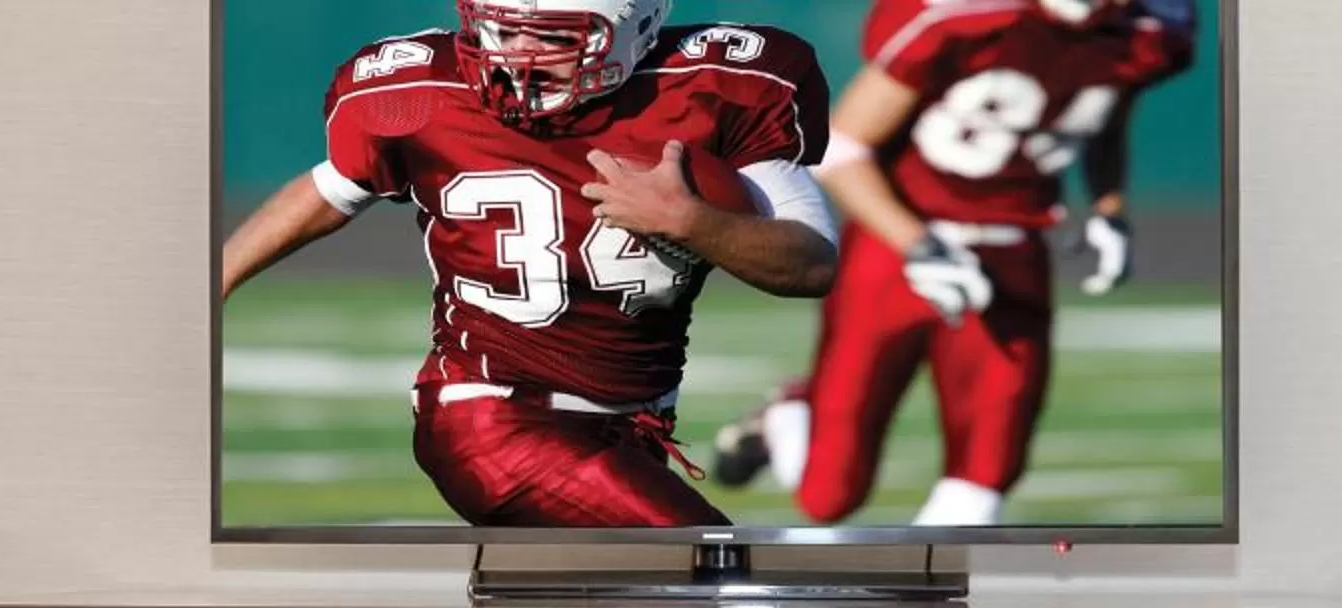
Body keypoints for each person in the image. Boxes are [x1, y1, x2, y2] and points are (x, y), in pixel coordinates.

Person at [219, 0, 840, 528]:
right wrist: (209, 285)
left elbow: (812, 264)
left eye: (550, 37)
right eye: (502, 28)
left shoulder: (719, 88)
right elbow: (332, 189)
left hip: (631, 424)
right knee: (716, 577)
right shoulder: (417, 95)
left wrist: (689, 222)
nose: (515, 53)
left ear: (635, 28)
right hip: (491, 417)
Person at [713, 0, 1199, 527]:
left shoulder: (1152, 27)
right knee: (830, 498)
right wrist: (919, 245)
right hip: (895, 245)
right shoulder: (960, 15)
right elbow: (842, 147)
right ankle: (790, 415)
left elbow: (1102, 108)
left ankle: (932, 607)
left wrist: (1109, 205)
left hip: (1014, 250)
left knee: (985, 481)